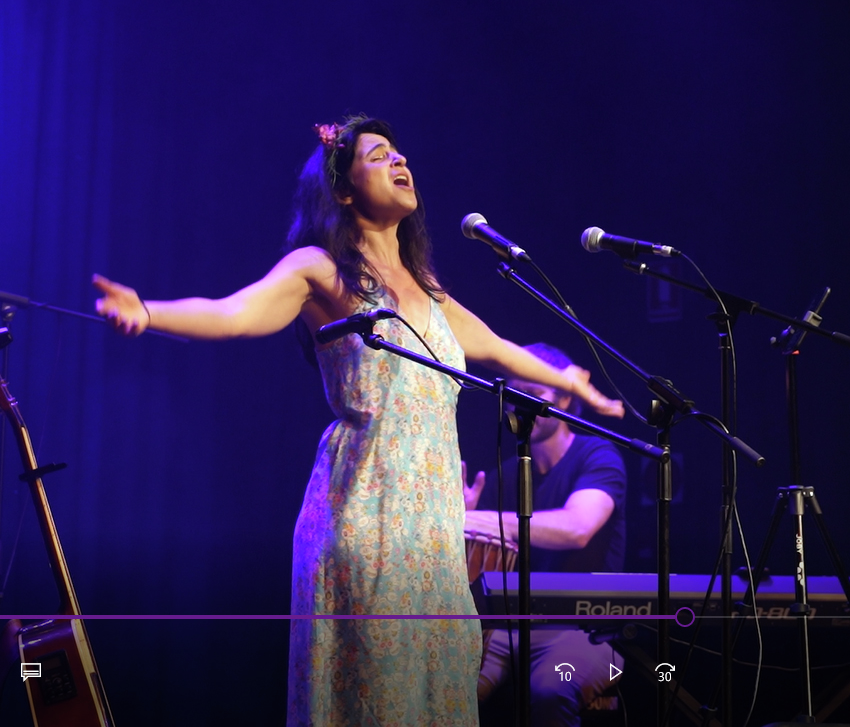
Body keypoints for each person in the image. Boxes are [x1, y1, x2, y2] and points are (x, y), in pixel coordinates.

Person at [93, 116, 624, 726]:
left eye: (400, 153)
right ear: (343, 190)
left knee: (441, 695)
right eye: (378, 155)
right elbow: (234, 313)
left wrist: (572, 381)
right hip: (367, 513)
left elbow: (500, 350)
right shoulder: (321, 269)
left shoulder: (428, 290)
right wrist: (148, 311)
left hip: (433, 532)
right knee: (378, 697)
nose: (400, 161)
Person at [464, 342, 627, 727]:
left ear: (565, 400)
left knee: (551, 690)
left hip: (582, 629)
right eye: (514, 394)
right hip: (507, 628)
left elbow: (577, 528)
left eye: (534, 393)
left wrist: (474, 520)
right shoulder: (504, 474)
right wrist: (466, 531)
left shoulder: (597, 455)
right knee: (448, 690)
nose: (520, 404)